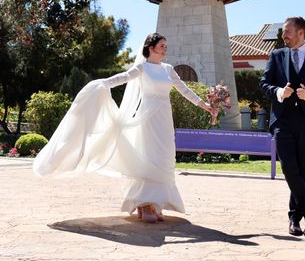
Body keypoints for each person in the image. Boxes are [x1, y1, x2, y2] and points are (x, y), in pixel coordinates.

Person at [33, 32, 214, 223]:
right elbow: (124, 77)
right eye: (162, 46)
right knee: (148, 156)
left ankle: (157, 202)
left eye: (166, 46)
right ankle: (144, 204)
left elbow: (184, 90)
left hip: (164, 118)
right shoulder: (142, 68)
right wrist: (102, 84)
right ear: (150, 48)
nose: (165, 49)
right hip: (147, 118)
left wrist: (204, 104)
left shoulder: (169, 69)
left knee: (164, 156)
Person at [259, 17, 305, 237]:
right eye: (283, 32)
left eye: (288, 32)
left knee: (303, 171)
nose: (284, 36)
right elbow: (264, 83)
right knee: (289, 168)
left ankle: (297, 220)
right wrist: (279, 92)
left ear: (301, 32)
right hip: (282, 120)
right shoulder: (276, 55)